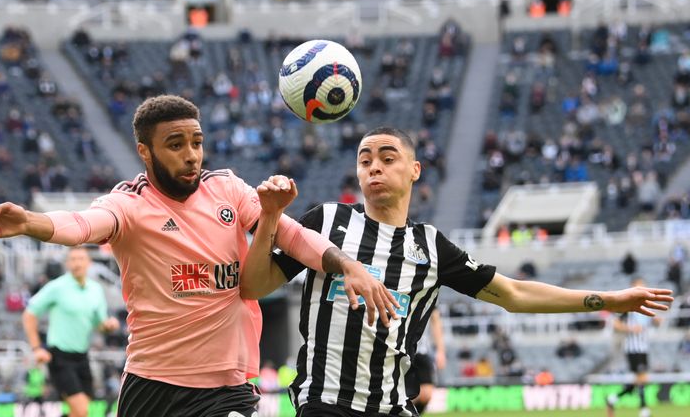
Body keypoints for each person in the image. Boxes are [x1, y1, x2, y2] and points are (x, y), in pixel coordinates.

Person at [0, 95, 396, 417]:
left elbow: (294, 235)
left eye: (196, 142)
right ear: (145, 151)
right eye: (175, 145)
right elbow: (81, 226)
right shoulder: (130, 204)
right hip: (152, 386)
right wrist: (30, 223)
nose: (191, 154)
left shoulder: (228, 189)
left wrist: (349, 265)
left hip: (227, 386)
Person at [242, 126, 673, 416]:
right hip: (324, 403)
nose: (374, 166)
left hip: (393, 405)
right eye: (365, 159)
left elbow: (514, 295)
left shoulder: (430, 246)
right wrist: (270, 219)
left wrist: (608, 300)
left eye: (387, 158)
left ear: (414, 171)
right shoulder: (327, 221)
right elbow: (255, 285)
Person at [22, 246, 119, 417]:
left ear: (89, 263)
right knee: (81, 410)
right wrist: (37, 348)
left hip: (82, 356)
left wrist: (108, 325)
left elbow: (99, 324)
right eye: (73, 259)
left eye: (81, 259)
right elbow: (29, 314)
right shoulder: (57, 287)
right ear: (67, 264)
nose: (77, 263)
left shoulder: (96, 290)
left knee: (80, 412)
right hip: (60, 356)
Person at [607, 278, 661, 417]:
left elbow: (653, 324)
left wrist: (656, 321)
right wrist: (631, 328)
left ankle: (613, 399)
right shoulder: (627, 307)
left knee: (641, 379)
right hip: (633, 348)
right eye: (639, 286)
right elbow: (616, 324)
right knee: (642, 378)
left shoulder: (647, 306)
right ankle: (643, 409)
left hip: (643, 347)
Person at [406, 309, 445, 414]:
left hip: (422, 350)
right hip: (402, 350)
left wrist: (440, 351)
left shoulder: (431, 295)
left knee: (426, 394)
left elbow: (435, 321)